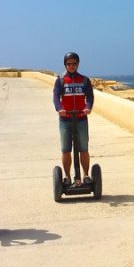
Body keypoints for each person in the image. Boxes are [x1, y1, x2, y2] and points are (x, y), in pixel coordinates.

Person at [53, 52, 94, 186]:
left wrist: (88, 107)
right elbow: (56, 98)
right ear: (65, 64)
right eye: (69, 64)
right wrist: (59, 109)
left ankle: (86, 175)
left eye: (74, 64)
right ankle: (67, 176)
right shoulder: (60, 80)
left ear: (78, 64)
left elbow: (90, 97)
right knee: (66, 149)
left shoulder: (84, 80)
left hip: (81, 118)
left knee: (83, 148)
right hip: (66, 119)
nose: (71, 66)